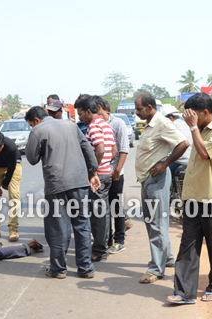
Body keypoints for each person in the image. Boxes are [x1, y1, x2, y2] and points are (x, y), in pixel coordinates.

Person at [167, 92, 212, 304]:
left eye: (192, 115)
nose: (189, 119)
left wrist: (194, 127)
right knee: (188, 246)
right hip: (193, 198)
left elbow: (205, 153)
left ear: (205, 112)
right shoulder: (200, 129)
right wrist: (195, 127)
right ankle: (184, 292)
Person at [25, 106, 100, 279]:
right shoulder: (71, 126)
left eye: (31, 125)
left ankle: (58, 269)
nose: (32, 128)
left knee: (58, 228)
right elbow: (88, 149)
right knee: (82, 226)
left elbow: (32, 158)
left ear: (36, 120)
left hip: (56, 185)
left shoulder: (38, 130)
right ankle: (86, 268)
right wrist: (93, 172)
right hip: (80, 183)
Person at [135, 93, 189, 283]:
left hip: (156, 179)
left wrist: (165, 164)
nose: (136, 112)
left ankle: (156, 269)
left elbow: (184, 143)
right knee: (153, 222)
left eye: (139, 109)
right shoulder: (150, 125)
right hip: (147, 180)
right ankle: (167, 258)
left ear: (150, 107)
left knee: (156, 223)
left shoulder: (163, 123)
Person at [75, 95, 117, 262]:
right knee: (104, 212)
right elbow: (113, 150)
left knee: (97, 215)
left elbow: (99, 150)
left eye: (80, 114)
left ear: (88, 111)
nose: (79, 118)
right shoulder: (104, 124)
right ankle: (103, 246)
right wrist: (106, 165)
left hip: (98, 176)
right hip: (106, 173)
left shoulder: (93, 126)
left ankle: (99, 250)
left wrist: (94, 171)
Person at [98, 99, 133, 254]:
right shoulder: (95, 124)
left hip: (115, 173)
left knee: (116, 208)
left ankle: (119, 240)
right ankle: (107, 240)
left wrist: (118, 170)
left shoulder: (117, 123)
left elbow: (124, 149)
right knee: (103, 209)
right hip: (101, 174)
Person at [166, 112, 193, 177]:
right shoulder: (188, 125)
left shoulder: (170, 126)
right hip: (192, 161)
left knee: (162, 173)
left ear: (171, 118)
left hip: (179, 162)